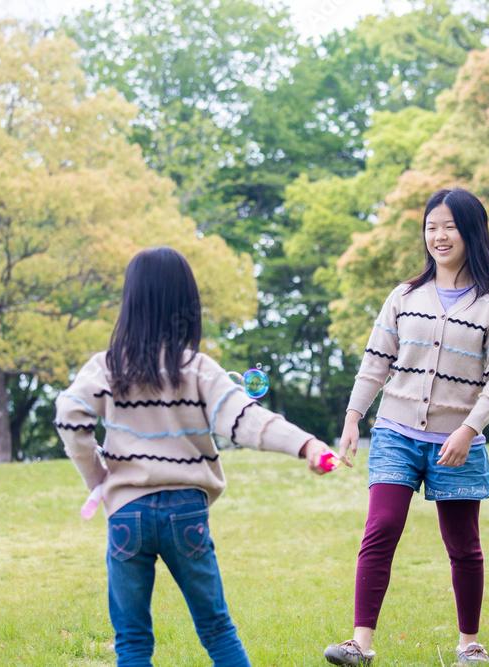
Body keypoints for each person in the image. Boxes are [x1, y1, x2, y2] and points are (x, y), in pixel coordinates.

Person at [54, 246, 334, 667]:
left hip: (127, 513)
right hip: (185, 510)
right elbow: (246, 419)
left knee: (131, 641)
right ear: (187, 303)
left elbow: (69, 414)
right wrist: (307, 444)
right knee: (217, 630)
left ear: (130, 303)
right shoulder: (198, 368)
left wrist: (97, 478)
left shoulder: (107, 366)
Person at [323, 188, 489, 666]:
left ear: (471, 231)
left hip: (458, 442)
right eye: (432, 226)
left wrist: (468, 429)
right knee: (381, 527)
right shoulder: (404, 296)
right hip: (396, 432)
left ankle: (469, 644)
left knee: (463, 545)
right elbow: (376, 361)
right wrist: (353, 417)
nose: (439, 235)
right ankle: (360, 644)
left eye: (449, 226)